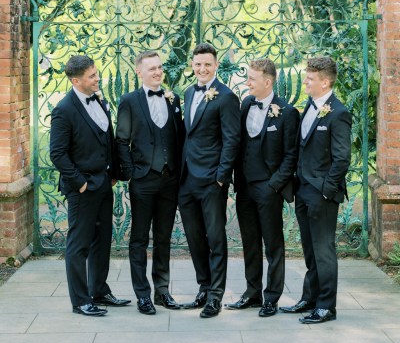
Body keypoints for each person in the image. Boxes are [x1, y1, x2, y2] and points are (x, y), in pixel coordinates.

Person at [50, 55, 131, 316]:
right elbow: (58, 153)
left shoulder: (99, 99)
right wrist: (80, 183)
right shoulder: (64, 109)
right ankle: (80, 300)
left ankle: (100, 291)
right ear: (76, 80)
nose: (98, 78)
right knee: (79, 245)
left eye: (96, 73)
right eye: (92, 76)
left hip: (104, 182)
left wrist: (115, 173)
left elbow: (106, 138)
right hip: (83, 188)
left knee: (102, 241)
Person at [280, 56, 352, 324]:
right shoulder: (309, 107)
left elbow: (342, 158)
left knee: (324, 250)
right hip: (303, 189)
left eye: (310, 79)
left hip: (322, 193)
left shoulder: (339, 113)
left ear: (325, 81)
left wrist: (326, 189)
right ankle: (309, 298)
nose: (306, 82)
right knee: (310, 249)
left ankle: (326, 306)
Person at [226, 58, 299, 317]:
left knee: (273, 245)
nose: (247, 83)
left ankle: (271, 297)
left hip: (268, 189)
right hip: (245, 187)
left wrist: (275, 185)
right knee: (250, 243)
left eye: (252, 79)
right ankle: (252, 293)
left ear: (267, 82)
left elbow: (291, 155)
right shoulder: (246, 104)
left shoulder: (287, 112)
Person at [115, 50, 184, 315]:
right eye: (151, 68)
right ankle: (142, 295)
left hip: (169, 180)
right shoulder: (129, 101)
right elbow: (121, 139)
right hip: (142, 180)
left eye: (159, 67)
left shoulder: (173, 98)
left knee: (164, 237)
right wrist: (132, 171)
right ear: (139, 72)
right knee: (139, 239)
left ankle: (162, 291)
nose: (157, 72)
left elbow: (177, 137)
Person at [179, 42, 240, 318]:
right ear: (192, 65)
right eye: (198, 64)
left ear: (216, 65)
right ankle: (203, 287)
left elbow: (231, 139)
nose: (202, 69)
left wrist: (221, 178)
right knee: (194, 237)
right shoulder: (189, 93)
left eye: (207, 64)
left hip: (212, 180)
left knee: (215, 238)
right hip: (187, 179)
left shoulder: (226, 97)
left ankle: (216, 296)